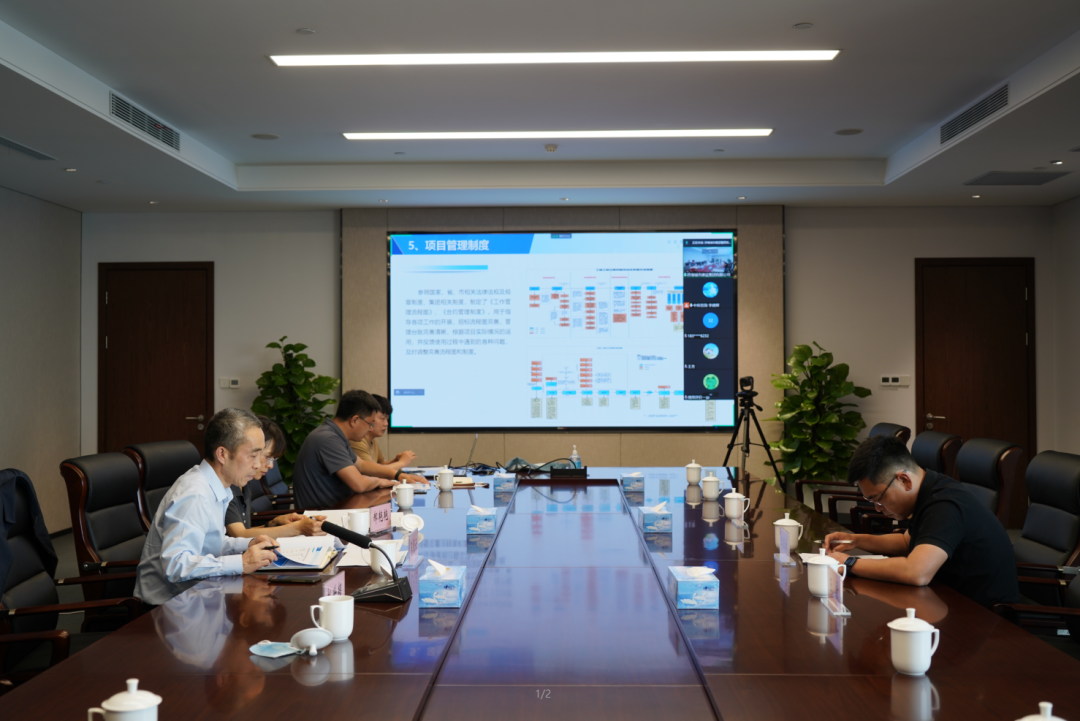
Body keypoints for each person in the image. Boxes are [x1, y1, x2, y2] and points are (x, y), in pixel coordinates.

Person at [824, 435, 1020, 607]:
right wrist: (856, 540)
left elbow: (917, 572)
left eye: (879, 499)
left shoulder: (945, 504)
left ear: (904, 480)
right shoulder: (929, 488)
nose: (877, 508)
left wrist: (849, 562)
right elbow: (906, 542)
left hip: (984, 617)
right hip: (948, 599)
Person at [135, 408, 281, 606]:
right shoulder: (195, 494)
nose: (257, 465)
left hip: (201, 594)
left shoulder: (218, 487)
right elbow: (176, 565)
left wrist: (248, 544)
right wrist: (242, 562)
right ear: (222, 454)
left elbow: (210, 543)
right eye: (253, 455)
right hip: (170, 607)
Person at [292, 390, 411, 509]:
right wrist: (379, 481)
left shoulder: (335, 435)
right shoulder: (328, 439)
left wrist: (398, 475)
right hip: (321, 515)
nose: (370, 429)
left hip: (338, 508)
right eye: (370, 424)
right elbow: (359, 484)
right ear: (354, 420)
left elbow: (362, 465)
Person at [225, 415, 326, 539]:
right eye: (267, 457)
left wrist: (273, 523)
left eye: (274, 459)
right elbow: (239, 536)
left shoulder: (245, 483)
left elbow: (244, 533)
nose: (271, 465)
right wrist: (297, 529)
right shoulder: (229, 484)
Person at [349, 394, 425, 485]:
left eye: (387, 419)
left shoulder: (373, 440)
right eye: (382, 418)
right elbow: (371, 472)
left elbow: (380, 465)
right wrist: (402, 463)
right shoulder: (357, 440)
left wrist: (395, 460)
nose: (386, 423)